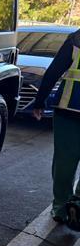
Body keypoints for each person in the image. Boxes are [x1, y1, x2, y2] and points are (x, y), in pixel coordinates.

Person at [33, 28, 80, 222]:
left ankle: (61, 207)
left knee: (64, 162)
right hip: (68, 110)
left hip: (69, 109)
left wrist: (40, 100)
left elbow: (54, 70)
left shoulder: (77, 38)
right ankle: (77, 205)